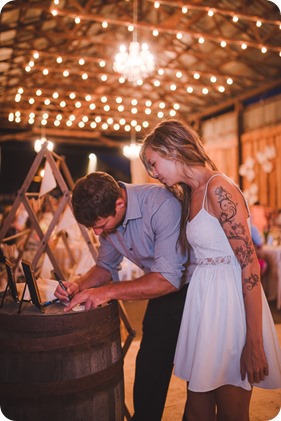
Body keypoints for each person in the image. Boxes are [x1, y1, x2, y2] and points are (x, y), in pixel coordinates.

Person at [140, 119, 281, 421]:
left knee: (231, 412)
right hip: (204, 306)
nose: (153, 173)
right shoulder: (192, 193)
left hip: (229, 308)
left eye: (153, 163)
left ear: (172, 149)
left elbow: (249, 264)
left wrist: (253, 342)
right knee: (196, 411)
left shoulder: (219, 188)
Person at [54, 171, 194, 421]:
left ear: (120, 203)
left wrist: (106, 291)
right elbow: (104, 267)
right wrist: (78, 285)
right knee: (150, 365)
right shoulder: (109, 213)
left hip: (196, 288)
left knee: (198, 375)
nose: (97, 234)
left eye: (100, 225)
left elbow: (168, 279)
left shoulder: (161, 204)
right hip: (161, 287)